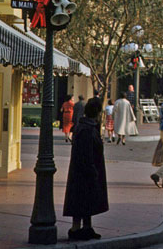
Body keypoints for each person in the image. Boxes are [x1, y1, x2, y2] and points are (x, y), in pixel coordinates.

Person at [63, 98, 108, 241]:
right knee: (82, 199)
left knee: (86, 200)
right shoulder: (87, 129)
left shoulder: (84, 127)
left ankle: (86, 227)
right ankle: (76, 229)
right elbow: (87, 153)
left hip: (83, 170)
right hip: (85, 171)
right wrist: (92, 170)